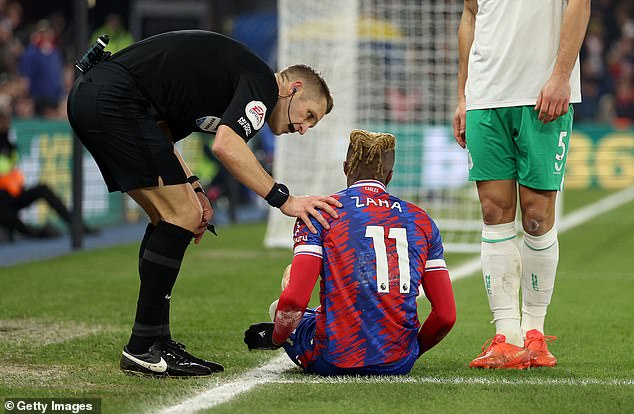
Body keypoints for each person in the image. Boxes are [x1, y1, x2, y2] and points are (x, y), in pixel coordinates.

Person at [66, 30, 340, 378]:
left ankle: (155, 342)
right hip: (114, 98)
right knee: (180, 215)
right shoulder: (263, 85)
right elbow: (227, 145)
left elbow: (161, 131)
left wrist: (194, 188)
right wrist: (282, 199)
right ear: (294, 88)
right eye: (310, 115)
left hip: (102, 96)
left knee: (174, 216)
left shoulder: (238, 83)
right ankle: (143, 347)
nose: (304, 128)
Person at [244, 129, 456, 376]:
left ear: (345, 167)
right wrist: (410, 352)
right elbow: (446, 315)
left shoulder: (320, 211)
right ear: (390, 175)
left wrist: (277, 338)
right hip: (399, 362)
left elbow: (294, 300)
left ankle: (287, 333)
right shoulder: (422, 221)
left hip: (331, 359)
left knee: (287, 293)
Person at [452, 0, 590, 369]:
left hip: (541, 92)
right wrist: (463, 94)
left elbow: (580, 3)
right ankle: (506, 337)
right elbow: (470, 15)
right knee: (493, 211)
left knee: (536, 216)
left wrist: (561, 75)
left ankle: (534, 332)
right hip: (486, 96)